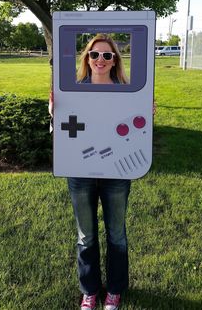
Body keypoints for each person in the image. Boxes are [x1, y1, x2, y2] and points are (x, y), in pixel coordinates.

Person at [49, 34, 152, 310]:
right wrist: (54, 110)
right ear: (87, 58)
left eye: (107, 55)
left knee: (116, 233)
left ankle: (115, 291)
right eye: (95, 55)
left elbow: (136, 129)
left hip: (116, 172)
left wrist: (146, 112)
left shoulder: (129, 92)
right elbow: (62, 130)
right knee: (86, 235)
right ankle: (90, 291)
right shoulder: (71, 90)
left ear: (115, 60)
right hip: (80, 171)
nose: (101, 60)